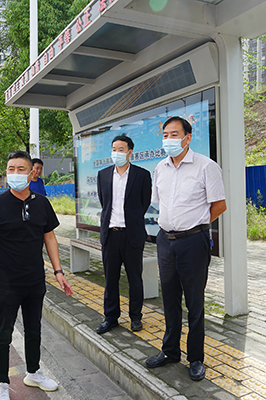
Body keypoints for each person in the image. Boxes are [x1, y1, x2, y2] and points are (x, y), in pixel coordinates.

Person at [0, 150, 73, 400]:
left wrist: (58, 271)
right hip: (5, 282)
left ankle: (34, 372)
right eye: (11, 169)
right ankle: (1, 383)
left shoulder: (42, 203)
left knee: (34, 329)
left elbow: (50, 238)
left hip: (34, 279)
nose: (15, 173)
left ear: (31, 173)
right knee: (3, 333)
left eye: (21, 169)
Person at [145, 116, 227, 382]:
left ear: (187, 138)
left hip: (193, 241)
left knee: (194, 302)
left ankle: (196, 358)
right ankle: (170, 351)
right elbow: (158, 203)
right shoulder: (160, 168)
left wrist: (196, 224)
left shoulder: (206, 166)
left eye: (174, 134)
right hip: (165, 241)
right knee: (169, 299)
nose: (168, 139)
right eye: (165, 135)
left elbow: (219, 205)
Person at [95, 134, 152, 334]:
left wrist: (132, 221)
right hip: (110, 235)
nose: (116, 153)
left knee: (135, 278)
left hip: (132, 235)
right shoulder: (103, 175)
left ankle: (136, 317)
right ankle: (111, 317)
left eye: (121, 149)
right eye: (114, 149)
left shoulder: (141, 175)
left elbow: (144, 203)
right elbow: (104, 203)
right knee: (110, 279)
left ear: (130, 152)